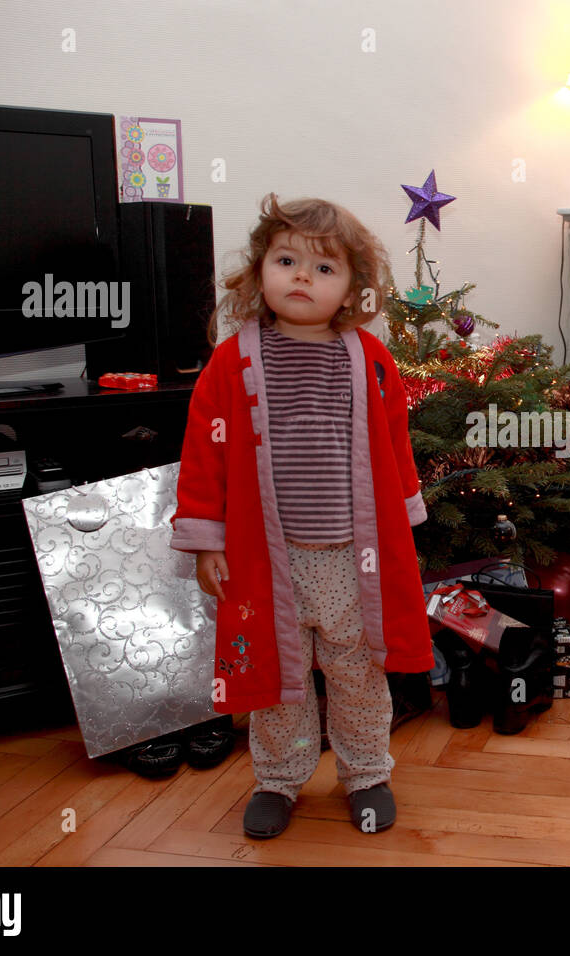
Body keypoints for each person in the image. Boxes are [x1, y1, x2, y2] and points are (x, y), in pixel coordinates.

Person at [170, 194, 433, 839]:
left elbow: (395, 441)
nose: (301, 279)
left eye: (324, 269)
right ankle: (278, 782)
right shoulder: (233, 360)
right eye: (287, 261)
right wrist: (208, 540)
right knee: (276, 677)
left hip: (354, 558)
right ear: (260, 270)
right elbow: (204, 447)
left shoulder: (370, 359)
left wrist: (404, 518)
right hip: (268, 558)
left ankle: (367, 773)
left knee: (358, 670)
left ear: (350, 289)